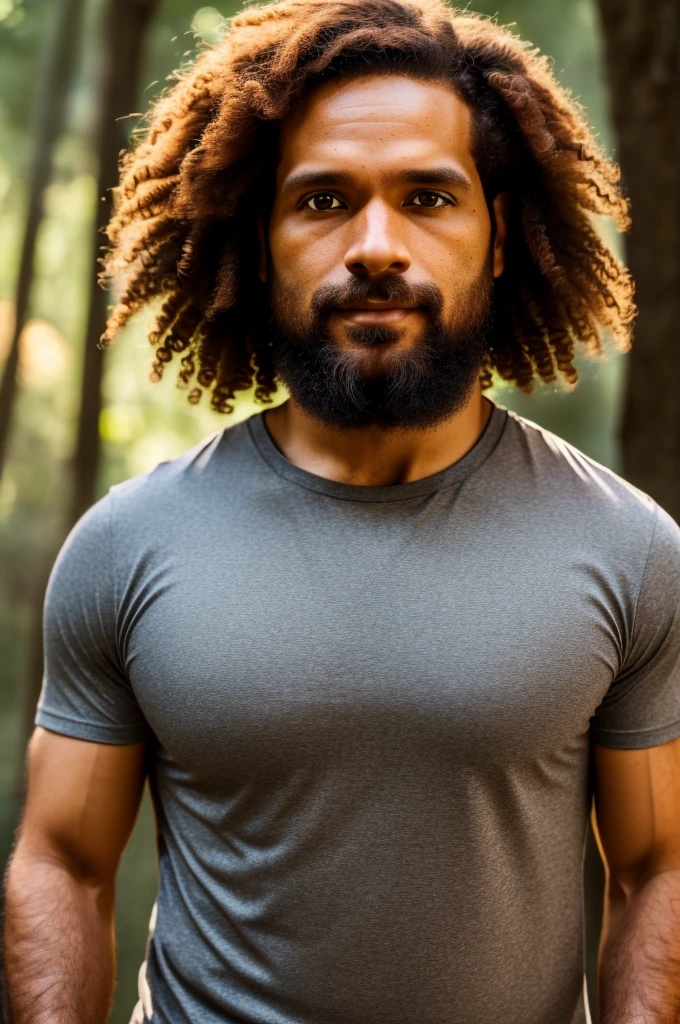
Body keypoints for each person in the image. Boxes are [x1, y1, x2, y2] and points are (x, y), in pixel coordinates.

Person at [4, 1, 680, 1022]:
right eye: (322, 201)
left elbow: (658, 868)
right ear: (261, 239)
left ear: (497, 238)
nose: (374, 246)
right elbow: (61, 861)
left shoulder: (628, 552)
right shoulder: (125, 548)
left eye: (426, 197)